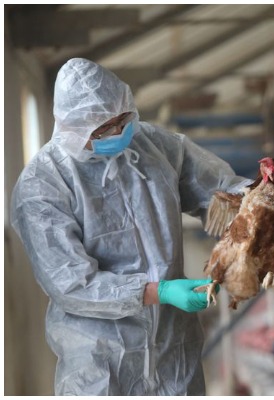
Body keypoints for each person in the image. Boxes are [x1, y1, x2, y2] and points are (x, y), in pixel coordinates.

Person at [10, 58, 252, 395]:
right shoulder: (43, 185)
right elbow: (72, 284)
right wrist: (161, 292)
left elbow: (218, 190)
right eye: (101, 129)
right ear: (72, 129)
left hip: (173, 351)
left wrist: (253, 205)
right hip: (100, 361)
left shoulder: (152, 145)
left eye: (122, 119)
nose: (116, 132)